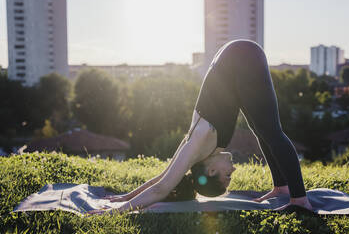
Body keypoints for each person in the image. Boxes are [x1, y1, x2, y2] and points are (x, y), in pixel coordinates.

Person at [88, 39, 313, 215]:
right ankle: (282, 188)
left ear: (211, 171)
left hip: (241, 57)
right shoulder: (195, 147)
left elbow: (161, 188)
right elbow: (162, 177)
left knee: (272, 132)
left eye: (227, 176)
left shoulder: (199, 141)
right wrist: (126, 196)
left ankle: (300, 201)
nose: (233, 171)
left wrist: (119, 209)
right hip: (235, 60)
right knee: (262, 129)